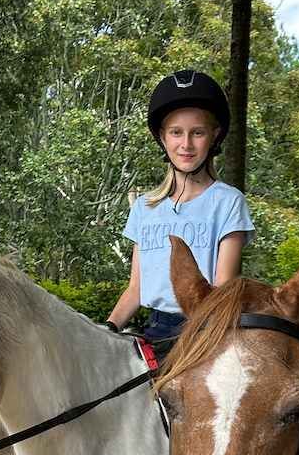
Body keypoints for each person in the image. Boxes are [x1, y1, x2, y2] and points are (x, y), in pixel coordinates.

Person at [106, 70, 254, 343]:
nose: (186, 144)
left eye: (197, 133)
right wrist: (106, 331)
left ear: (214, 136)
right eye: (176, 133)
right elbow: (136, 290)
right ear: (163, 137)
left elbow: (222, 291)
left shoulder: (228, 202)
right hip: (154, 331)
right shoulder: (144, 207)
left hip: (205, 330)